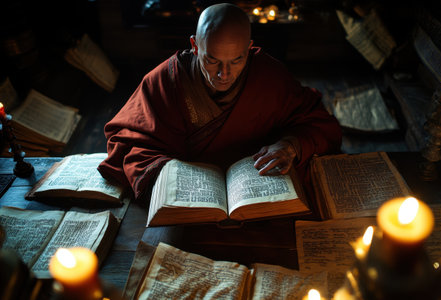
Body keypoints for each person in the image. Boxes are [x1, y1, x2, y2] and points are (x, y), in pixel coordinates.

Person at [98, 3, 342, 201]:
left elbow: (319, 124)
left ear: (249, 49)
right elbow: (127, 142)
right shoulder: (164, 81)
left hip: (254, 195)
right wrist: (166, 171)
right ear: (194, 46)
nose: (224, 74)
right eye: (212, 60)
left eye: (236, 60)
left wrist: (291, 146)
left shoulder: (268, 76)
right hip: (190, 201)